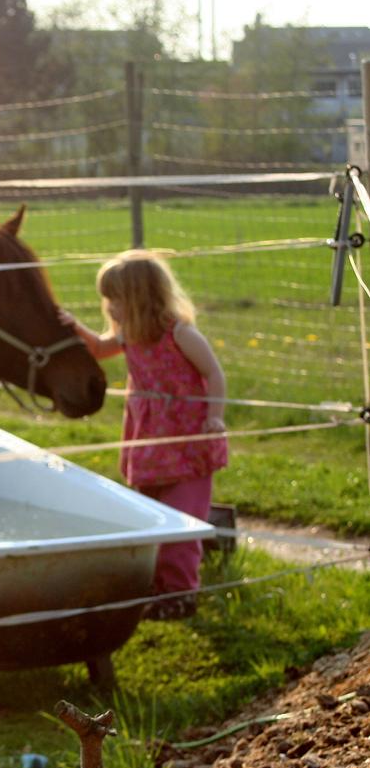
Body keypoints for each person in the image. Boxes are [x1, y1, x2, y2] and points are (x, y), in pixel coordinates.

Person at [61, 250, 227, 620]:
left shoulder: (180, 333)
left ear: (139, 298)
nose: (109, 307)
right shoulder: (128, 336)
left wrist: (215, 418)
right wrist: (75, 327)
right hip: (149, 439)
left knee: (182, 522)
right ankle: (156, 586)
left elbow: (214, 373)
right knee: (152, 517)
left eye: (115, 299)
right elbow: (99, 348)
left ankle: (181, 594)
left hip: (187, 442)